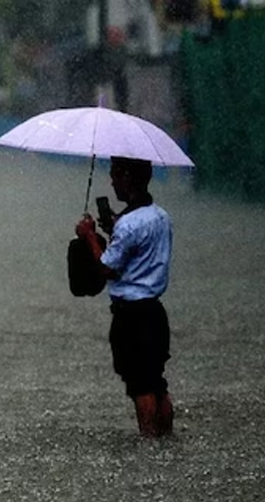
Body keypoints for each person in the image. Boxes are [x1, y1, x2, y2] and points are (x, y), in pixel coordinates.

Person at [74, 156, 174, 438]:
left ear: (128, 177)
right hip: (155, 313)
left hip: (131, 316)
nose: (112, 181)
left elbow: (107, 268)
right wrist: (114, 230)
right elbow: (139, 249)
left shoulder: (128, 225)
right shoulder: (161, 216)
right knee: (157, 382)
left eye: (116, 174)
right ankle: (166, 441)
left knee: (140, 385)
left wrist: (89, 236)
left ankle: (149, 445)